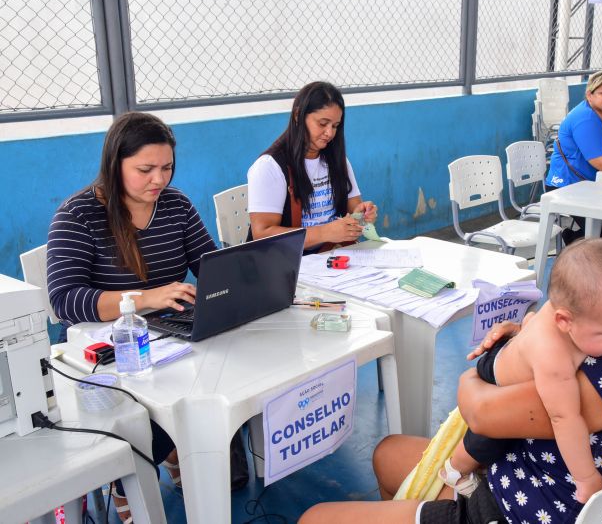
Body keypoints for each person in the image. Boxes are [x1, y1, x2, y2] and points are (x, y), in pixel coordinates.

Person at [299, 189, 602, 523]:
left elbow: (482, 412)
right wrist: (533, 344)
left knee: (313, 518)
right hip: (530, 481)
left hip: (510, 507)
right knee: (389, 453)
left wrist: (480, 372)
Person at [46, 112, 217, 521]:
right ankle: (131, 482)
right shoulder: (79, 215)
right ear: (115, 163)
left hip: (171, 338)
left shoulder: (176, 205)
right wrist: (144, 298)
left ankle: (178, 448)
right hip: (110, 353)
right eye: (145, 169)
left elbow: (210, 265)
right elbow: (65, 299)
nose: (159, 180)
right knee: (141, 414)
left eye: (167, 168)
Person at [439, 239, 602, 504]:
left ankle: (526, 329)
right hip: (497, 376)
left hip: (519, 347)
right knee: (496, 433)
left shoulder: (577, 309)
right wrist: (586, 478)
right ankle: (455, 470)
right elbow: (565, 419)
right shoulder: (554, 360)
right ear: (564, 321)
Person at [247, 81, 377, 252]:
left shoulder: (338, 160)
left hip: (330, 256)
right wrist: (324, 233)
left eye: (335, 126)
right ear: (297, 116)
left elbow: (355, 206)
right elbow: (262, 235)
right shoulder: (269, 167)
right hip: (286, 264)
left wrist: (363, 214)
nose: (329, 133)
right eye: (323, 124)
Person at [545, 70, 602, 243]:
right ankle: (573, 240)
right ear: (590, 95)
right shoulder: (584, 118)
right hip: (567, 186)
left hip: (596, 185)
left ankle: (580, 241)